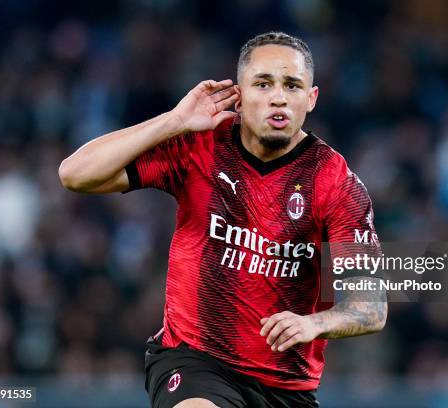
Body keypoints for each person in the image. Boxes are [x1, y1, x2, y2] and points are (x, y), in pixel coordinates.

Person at [59, 31, 387, 408]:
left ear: (310, 99)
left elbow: (372, 306)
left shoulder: (335, 182)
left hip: (287, 389)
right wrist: (174, 120)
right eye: (263, 84)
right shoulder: (200, 145)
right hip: (195, 360)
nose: (278, 97)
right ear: (241, 95)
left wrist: (315, 323)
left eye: (292, 85)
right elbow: (75, 173)